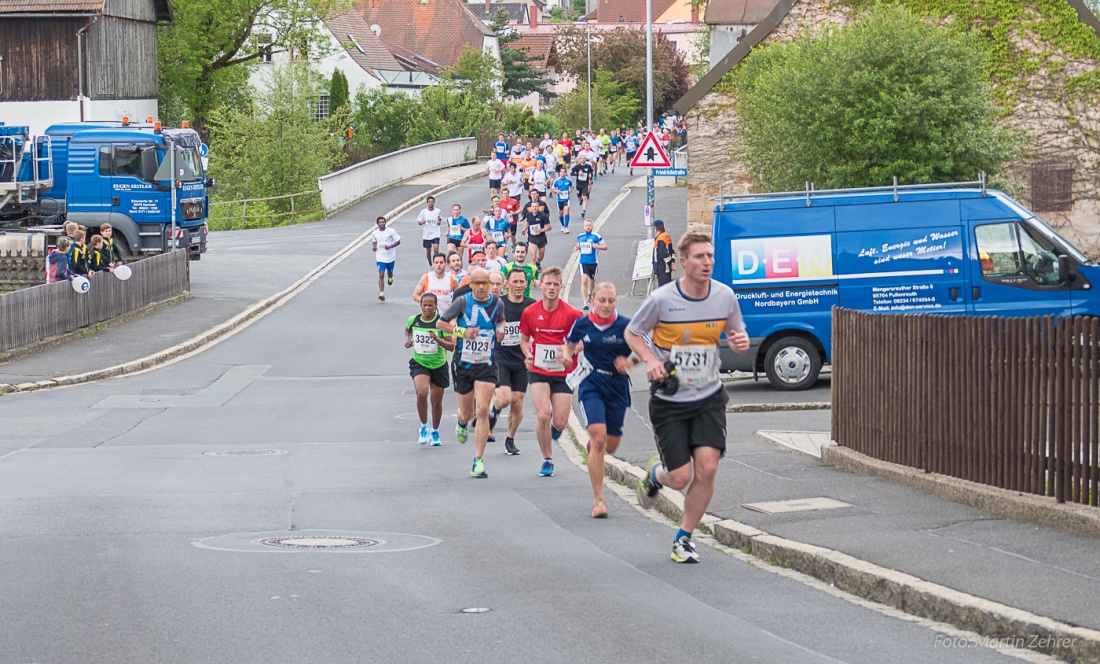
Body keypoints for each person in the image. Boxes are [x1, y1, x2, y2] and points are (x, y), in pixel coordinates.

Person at [625, 232, 750, 564]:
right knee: (679, 476)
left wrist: (740, 342)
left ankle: (684, 538)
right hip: (669, 399)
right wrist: (650, 360)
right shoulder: (662, 299)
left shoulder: (725, 296)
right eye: (699, 257)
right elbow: (633, 332)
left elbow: (738, 332)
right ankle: (656, 476)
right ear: (683, 262)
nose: (706, 261)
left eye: (709, 256)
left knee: (707, 468)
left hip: (709, 395)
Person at [563, 282, 635, 517]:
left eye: (611, 301)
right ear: (592, 300)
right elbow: (570, 344)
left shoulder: (625, 325)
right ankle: (599, 500)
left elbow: (646, 349)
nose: (606, 305)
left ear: (616, 302)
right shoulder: (583, 323)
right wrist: (567, 356)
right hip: (591, 382)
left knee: (610, 445)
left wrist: (630, 363)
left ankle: (595, 446)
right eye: (602, 300)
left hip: (616, 385)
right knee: (599, 438)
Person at [437, 267, 506, 478]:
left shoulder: (497, 303)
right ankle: (461, 421)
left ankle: (478, 460)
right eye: (478, 284)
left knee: (483, 409)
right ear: (471, 285)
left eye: (486, 283)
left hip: (486, 364)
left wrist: (501, 330)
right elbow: (441, 323)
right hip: (463, 364)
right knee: (467, 413)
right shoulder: (463, 302)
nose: (483, 287)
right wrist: (462, 332)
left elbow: (501, 320)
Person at [520, 266, 583, 478]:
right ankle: (547, 458)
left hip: (564, 372)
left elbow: (584, 340)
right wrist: (527, 355)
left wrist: (569, 350)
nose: (552, 288)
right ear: (540, 285)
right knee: (543, 415)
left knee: (560, 422)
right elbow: (525, 340)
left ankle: (554, 431)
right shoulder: (530, 312)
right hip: (538, 370)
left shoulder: (572, 314)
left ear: (561, 287)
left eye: (556, 284)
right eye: (548, 284)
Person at [491, 268, 535, 456]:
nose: (518, 285)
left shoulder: (532, 306)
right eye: (514, 282)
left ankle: (510, 439)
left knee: (517, 403)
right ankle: (493, 409)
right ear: (507, 284)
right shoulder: (498, 305)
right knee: (504, 398)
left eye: (521, 282)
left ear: (526, 284)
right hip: (500, 357)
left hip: (521, 360)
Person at [406, 293, 456, 446]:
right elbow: (408, 330)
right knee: (421, 392)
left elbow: (451, 345)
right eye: (424, 305)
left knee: (436, 402)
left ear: (436, 306)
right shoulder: (413, 320)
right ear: (420, 305)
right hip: (420, 362)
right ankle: (423, 427)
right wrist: (408, 340)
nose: (427, 308)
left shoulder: (441, 323)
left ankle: (435, 431)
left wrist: (437, 339)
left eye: (430, 305)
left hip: (438, 365)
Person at [574, 218, 607, 311]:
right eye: (586, 225)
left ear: (592, 226)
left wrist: (597, 246)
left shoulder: (596, 236)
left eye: (589, 225)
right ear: (583, 227)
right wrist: (576, 247)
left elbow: (605, 246)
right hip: (583, 262)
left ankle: (590, 292)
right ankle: (585, 302)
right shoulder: (580, 236)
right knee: (584, 281)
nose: (588, 227)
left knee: (592, 282)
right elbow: (578, 244)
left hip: (593, 263)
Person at [372, 215, 401, 302]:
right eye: (380, 222)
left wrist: (390, 246)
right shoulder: (375, 232)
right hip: (380, 257)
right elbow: (374, 241)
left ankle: (390, 278)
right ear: (377, 224)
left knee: (390, 273)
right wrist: (374, 247)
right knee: (381, 274)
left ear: (385, 222)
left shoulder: (391, 231)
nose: (382, 223)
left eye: (383, 222)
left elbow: (398, 241)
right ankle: (381, 293)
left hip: (390, 256)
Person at [522, 190, 551, 268]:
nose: (534, 208)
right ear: (531, 208)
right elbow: (528, 222)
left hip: (541, 237)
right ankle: (532, 274)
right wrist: (524, 229)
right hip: (532, 238)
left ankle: (538, 262)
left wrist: (541, 230)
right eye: (533, 207)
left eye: (536, 207)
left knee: (540, 256)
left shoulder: (543, 216)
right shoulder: (528, 215)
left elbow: (549, 227)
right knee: (533, 257)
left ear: (538, 207)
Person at [417, 196, 443, 266]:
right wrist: (422, 222)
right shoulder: (423, 212)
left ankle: (436, 263)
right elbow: (419, 221)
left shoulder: (438, 211)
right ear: (427, 203)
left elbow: (440, 218)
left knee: (436, 249)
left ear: (434, 202)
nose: (431, 203)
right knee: (428, 252)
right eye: (429, 202)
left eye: (432, 202)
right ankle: (430, 264)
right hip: (427, 234)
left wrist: (439, 222)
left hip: (435, 233)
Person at [652, 219, 676, 287]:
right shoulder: (667, 236)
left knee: (663, 290)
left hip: (662, 268)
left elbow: (664, 254)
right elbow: (672, 252)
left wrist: (670, 264)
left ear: (656, 228)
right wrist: (672, 262)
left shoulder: (660, 238)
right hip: (667, 269)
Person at [570, 155, 594, 219]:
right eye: (582, 158)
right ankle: (581, 200)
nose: (583, 160)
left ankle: (583, 211)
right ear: (579, 159)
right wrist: (578, 174)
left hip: (585, 184)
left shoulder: (588, 166)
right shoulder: (577, 167)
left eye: (584, 158)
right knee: (579, 198)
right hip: (579, 184)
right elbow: (571, 173)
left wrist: (590, 177)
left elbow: (591, 173)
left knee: (585, 197)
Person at [551, 168, 573, 233]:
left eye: (564, 172)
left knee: (566, 211)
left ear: (566, 173)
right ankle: (563, 225)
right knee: (560, 213)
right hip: (559, 199)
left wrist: (570, 190)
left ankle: (566, 227)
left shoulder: (569, 180)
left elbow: (572, 186)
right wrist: (556, 191)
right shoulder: (557, 181)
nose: (563, 173)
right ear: (559, 173)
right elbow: (552, 189)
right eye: (561, 172)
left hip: (567, 198)